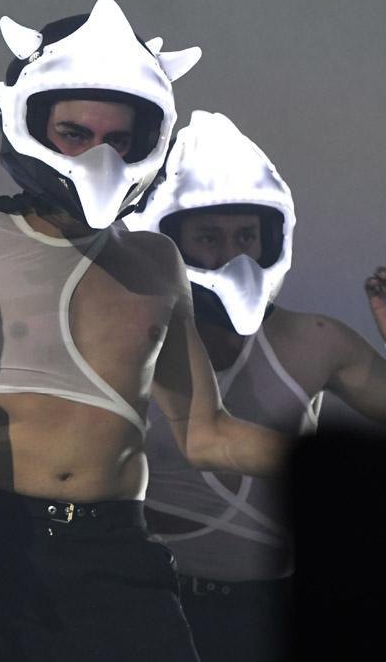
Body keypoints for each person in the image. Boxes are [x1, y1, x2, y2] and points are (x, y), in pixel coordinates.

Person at [0, 0, 290, 662]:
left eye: (118, 139)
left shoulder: (156, 263)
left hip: (114, 557)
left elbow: (204, 433)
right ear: (30, 122)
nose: (98, 157)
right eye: (75, 133)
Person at [126, 109, 386, 661]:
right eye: (209, 238)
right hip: (154, 607)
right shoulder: (127, 339)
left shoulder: (314, 339)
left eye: (247, 235)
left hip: (272, 611)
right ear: (169, 241)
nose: (232, 256)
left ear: (274, 237)